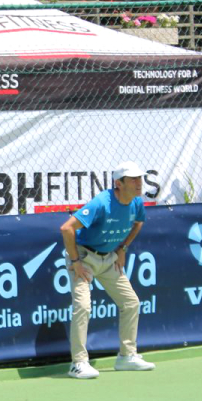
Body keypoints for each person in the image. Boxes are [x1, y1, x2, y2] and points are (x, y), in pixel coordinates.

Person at [59, 161, 156, 379]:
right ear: (119, 183)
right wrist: (75, 262)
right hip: (84, 258)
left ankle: (127, 356)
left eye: (139, 178)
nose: (138, 183)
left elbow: (138, 222)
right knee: (83, 306)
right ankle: (79, 363)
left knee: (131, 303)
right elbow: (66, 228)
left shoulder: (136, 203)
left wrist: (123, 247)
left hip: (110, 258)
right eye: (133, 179)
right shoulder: (101, 203)